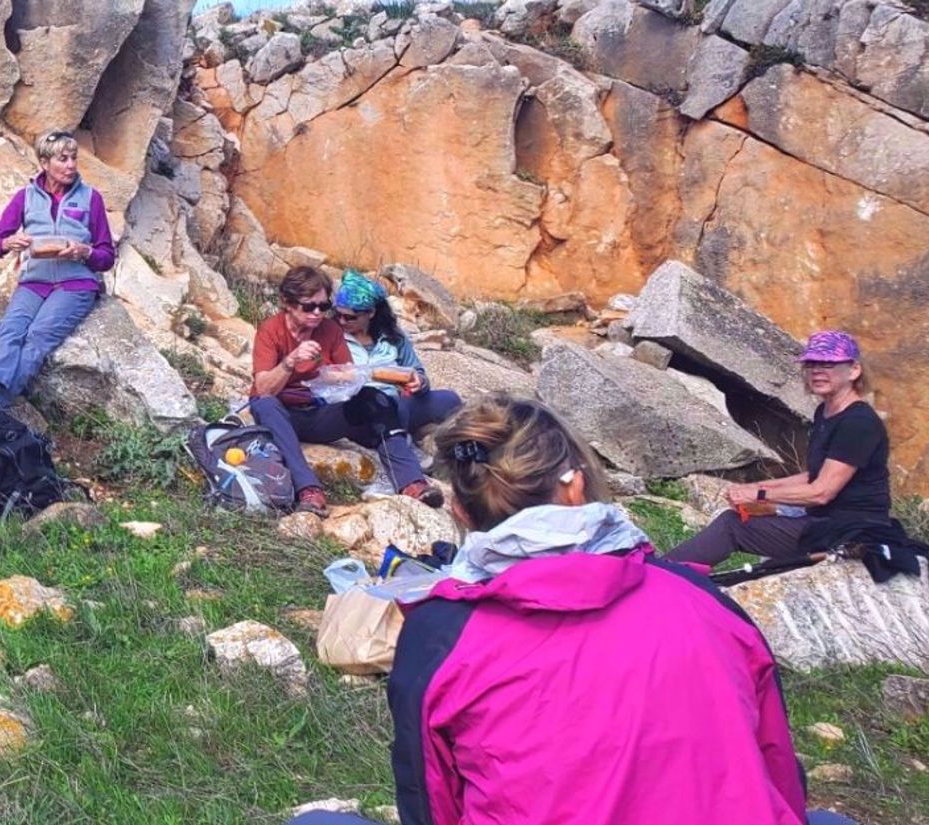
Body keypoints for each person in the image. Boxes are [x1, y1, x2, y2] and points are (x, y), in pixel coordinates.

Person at [290, 394, 850, 825]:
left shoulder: (440, 634)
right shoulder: (703, 600)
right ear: (577, 487)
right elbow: (779, 775)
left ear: (460, 512)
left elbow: (432, 806)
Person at [667, 330, 891, 567]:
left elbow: (821, 492)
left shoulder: (858, 423)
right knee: (748, 531)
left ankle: (659, 574)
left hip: (849, 530)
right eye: (811, 364)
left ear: (854, 370)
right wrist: (755, 486)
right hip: (826, 522)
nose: (817, 371)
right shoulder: (826, 413)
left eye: (828, 364)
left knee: (732, 527)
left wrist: (760, 494)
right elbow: (812, 476)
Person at [247, 267, 442, 516]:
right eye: (309, 307)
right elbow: (264, 389)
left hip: (319, 410)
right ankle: (308, 489)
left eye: (323, 306)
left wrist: (354, 376)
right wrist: (290, 361)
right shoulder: (271, 330)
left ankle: (411, 482)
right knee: (265, 405)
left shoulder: (330, 331)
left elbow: (349, 376)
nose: (317, 314)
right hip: (284, 413)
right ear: (287, 302)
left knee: (374, 400)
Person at [0, 129, 115, 404]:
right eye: (63, 159)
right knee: (10, 330)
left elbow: (107, 256)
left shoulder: (90, 198)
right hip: (34, 282)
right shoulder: (25, 197)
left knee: (38, 335)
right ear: (44, 163)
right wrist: (8, 243)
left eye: (73, 158)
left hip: (75, 284)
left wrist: (85, 252)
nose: (71, 165)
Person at [330, 269, 462, 447]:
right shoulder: (332, 335)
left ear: (371, 313)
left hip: (397, 399)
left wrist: (419, 382)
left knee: (449, 399)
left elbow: (416, 370)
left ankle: (414, 435)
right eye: (338, 315)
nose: (342, 321)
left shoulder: (393, 337)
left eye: (350, 317)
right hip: (359, 406)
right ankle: (398, 441)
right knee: (393, 408)